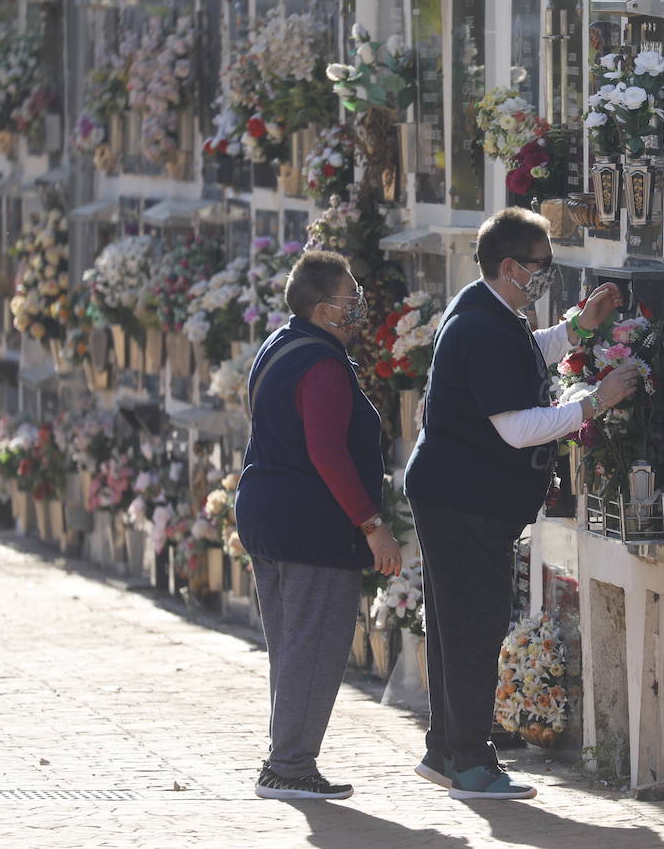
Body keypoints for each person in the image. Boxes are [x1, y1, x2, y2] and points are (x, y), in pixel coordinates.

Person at [404, 207, 639, 800]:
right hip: (463, 501)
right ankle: (473, 765)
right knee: (474, 631)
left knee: (458, 627)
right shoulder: (483, 326)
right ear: (510, 266)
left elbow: (524, 351)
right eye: (540, 268)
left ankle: (444, 753)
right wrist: (596, 401)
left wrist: (577, 331)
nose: (546, 278)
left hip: (457, 495)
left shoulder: (488, 310)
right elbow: (516, 426)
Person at [235, 250, 403, 800]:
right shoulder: (324, 365)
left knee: (291, 644)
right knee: (317, 644)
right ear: (324, 309)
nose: (357, 308)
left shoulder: (279, 345)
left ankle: (285, 759)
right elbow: (328, 452)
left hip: (269, 514)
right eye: (350, 300)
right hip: (313, 525)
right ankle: (288, 766)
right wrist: (372, 524)